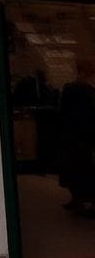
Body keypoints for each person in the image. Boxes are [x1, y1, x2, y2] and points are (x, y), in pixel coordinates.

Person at [59, 57, 95, 213]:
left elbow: (63, 112)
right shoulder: (87, 90)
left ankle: (79, 198)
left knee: (76, 167)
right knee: (84, 167)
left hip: (75, 134)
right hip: (84, 135)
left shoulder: (71, 89)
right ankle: (85, 200)